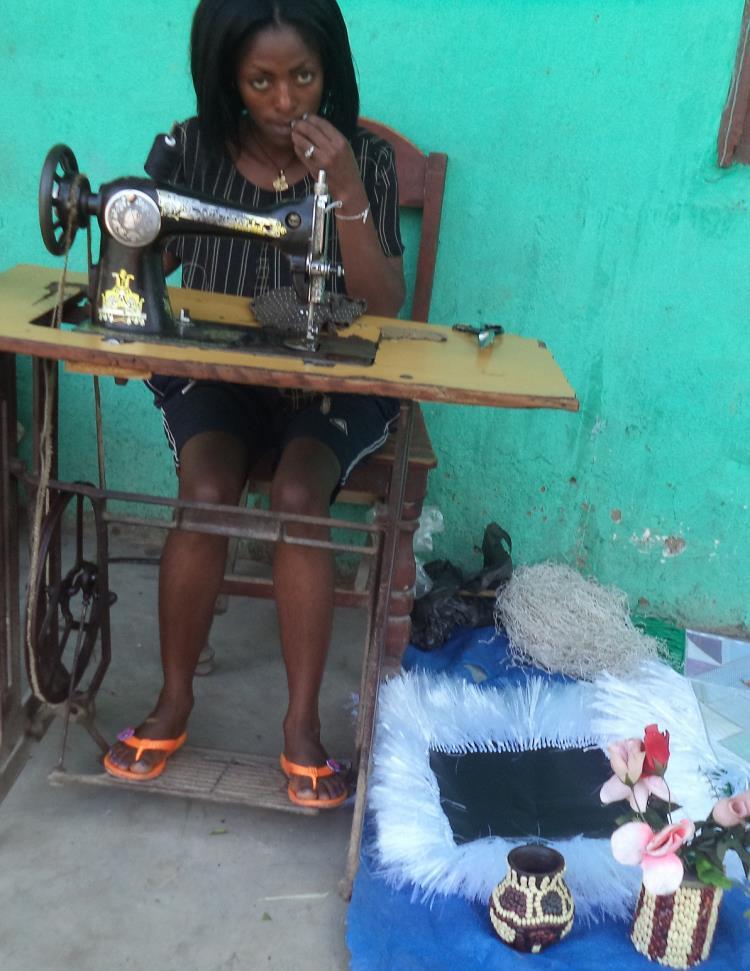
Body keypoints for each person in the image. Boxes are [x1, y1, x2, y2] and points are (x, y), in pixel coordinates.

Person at [103, 0, 405, 808]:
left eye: (302, 77)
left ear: (329, 70)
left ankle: (300, 726)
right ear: (229, 78)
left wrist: (340, 185)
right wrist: (130, 279)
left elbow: (386, 302)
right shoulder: (191, 151)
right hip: (223, 365)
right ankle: (173, 702)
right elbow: (142, 243)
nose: (285, 102)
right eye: (261, 81)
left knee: (301, 498)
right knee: (204, 493)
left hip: (331, 370)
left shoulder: (362, 157)